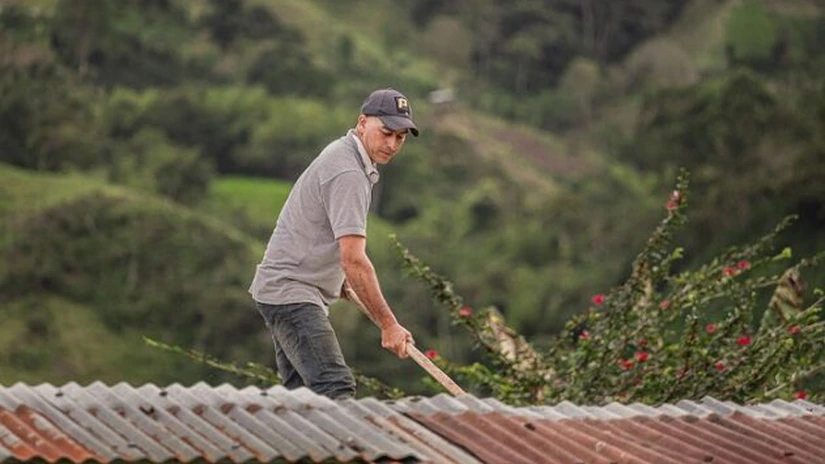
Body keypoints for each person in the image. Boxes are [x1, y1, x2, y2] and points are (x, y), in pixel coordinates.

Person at [249, 88, 419, 399]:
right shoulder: (348, 172)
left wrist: (335, 281)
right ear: (362, 122)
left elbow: (319, 232)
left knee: (302, 399)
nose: (393, 144)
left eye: (401, 137)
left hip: (283, 289)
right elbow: (353, 260)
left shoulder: (346, 155)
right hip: (291, 292)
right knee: (334, 389)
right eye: (387, 133)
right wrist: (389, 325)